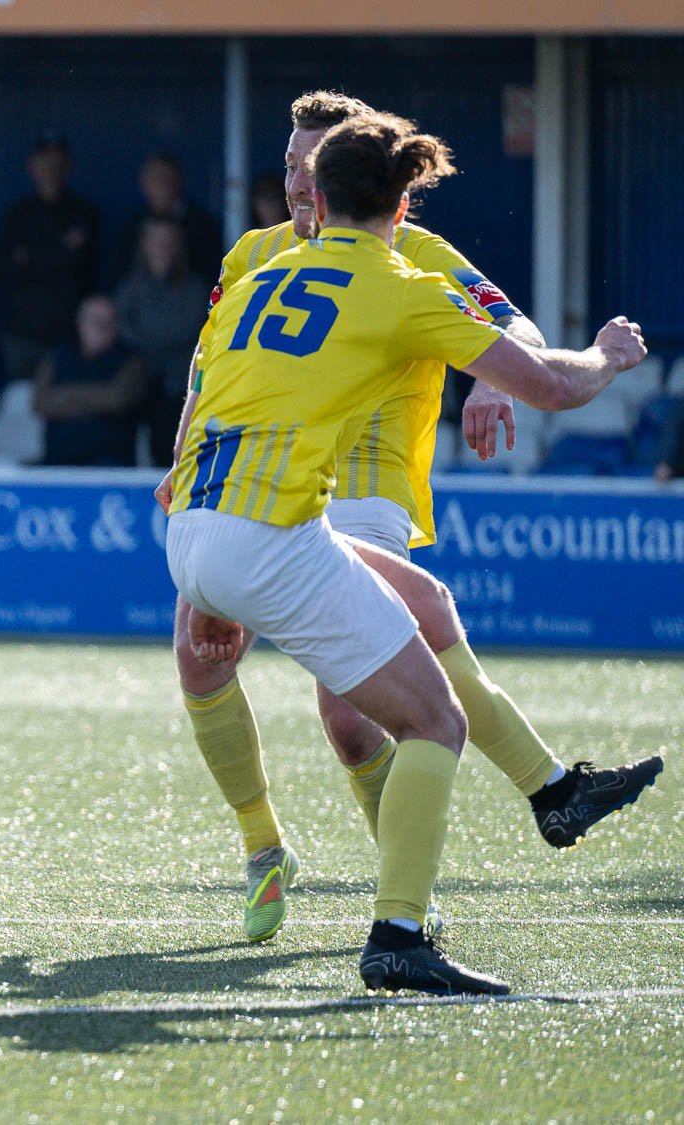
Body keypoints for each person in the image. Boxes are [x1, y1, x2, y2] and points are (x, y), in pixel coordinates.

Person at [157, 90, 665, 948]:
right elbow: (554, 381)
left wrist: (489, 377)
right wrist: (608, 356)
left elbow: (512, 332)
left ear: (335, 184)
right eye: (289, 165)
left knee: (373, 685)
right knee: (422, 708)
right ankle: (372, 900)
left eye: (311, 166)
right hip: (275, 504)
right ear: (393, 198)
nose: (298, 182)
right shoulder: (299, 266)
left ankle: (519, 812)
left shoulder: (373, 268)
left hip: (308, 496)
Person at [0, 135, 101, 388]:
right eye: (44, 163)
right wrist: (62, 250)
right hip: (23, 332)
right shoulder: (18, 214)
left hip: (69, 334)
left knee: (69, 400)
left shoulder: (83, 212)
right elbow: (7, 269)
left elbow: (87, 268)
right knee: (20, 402)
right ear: (32, 167)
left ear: (68, 168)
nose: (50, 170)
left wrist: (33, 256)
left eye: (57, 164)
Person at [114, 217, 209, 464]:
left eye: (169, 242)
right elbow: (122, 328)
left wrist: (149, 342)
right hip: (137, 378)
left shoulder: (196, 289)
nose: (162, 248)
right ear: (144, 244)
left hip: (177, 382)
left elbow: (187, 330)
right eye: (157, 241)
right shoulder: (129, 288)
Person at [32, 293, 146, 466]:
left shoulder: (132, 361)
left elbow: (117, 399)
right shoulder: (57, 356)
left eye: (108, 323)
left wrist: (65, 395)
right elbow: (40, 402)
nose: (102, 328)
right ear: (80, 323)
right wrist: (95, 403)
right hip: (57, 459)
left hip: (109, 462)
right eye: (95, 322)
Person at [111, 151, 222, 284]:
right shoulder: (132, 225)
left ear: (179, 181)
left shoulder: (202, 225)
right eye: (155, 179)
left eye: (166, 179)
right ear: (143, 183)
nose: (161, 185)